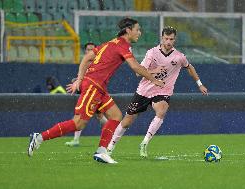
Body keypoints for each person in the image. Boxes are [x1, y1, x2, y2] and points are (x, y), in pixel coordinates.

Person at [27, 18, 164, 164]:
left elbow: (87, 58)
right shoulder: (122, 46)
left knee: (116, 116)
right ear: (128, 30)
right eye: (137, 29)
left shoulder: (110, 43)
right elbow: (135, 67)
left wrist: (80, 80)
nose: (140, 33)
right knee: (78, 123)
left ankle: (101, 152)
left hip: (98, 87)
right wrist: (154, 79)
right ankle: (39, 137)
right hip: (94, 86)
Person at [107, 26, 208, 159]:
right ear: (162, 38)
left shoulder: (179, 57)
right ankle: (110, 147)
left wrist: (199, 84)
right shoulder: (152, 53)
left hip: (163, 91)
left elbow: (189, 67)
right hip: (144, 91)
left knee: (162, 110)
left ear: (174, 39)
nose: (168, 42)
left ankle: (144, 143)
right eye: (166, 38)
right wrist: (155, 71)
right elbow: (138, 72)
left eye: (171, 39)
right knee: (127, 121)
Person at [64, 42, 108, 147]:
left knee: (85, 116)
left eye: (92, 49)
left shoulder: (98, 62)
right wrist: (77, 82)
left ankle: (113, 133)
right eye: (88, 50)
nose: (90, 51)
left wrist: (77, 82)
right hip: (89, 92)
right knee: (96, 116)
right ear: (85, 51)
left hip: (96, 92)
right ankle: (112, 133)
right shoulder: (86, 62)